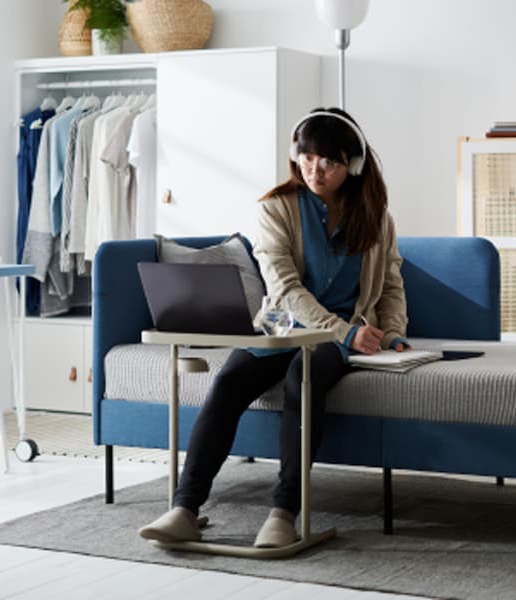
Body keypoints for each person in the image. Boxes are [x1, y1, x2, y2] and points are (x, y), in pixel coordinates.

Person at [138, 107, 409, 548]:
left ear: (353, 166)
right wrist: (341, 329)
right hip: (286, 328)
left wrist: (392, 332)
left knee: (301, 379)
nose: (314, 170)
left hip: (336, 341)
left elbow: (392, 283)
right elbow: (283, 289)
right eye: (306, 158)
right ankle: (184, 508)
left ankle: (284, 513)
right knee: (228, 379)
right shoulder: (276, 207)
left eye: (329, 162)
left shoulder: (375, 216)